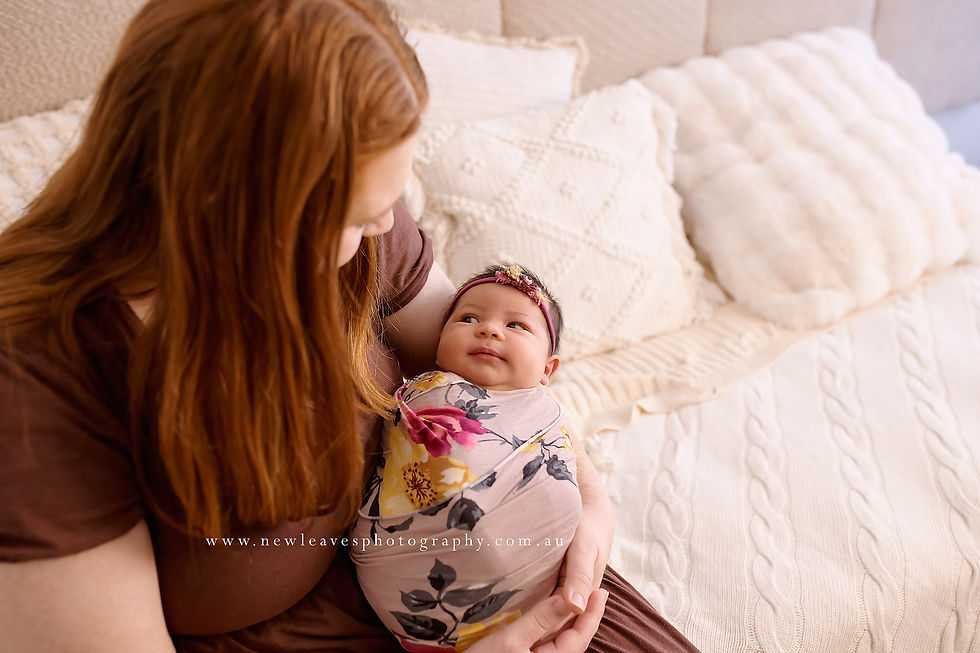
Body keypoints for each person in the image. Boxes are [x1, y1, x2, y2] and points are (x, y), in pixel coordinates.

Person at [0, 1, 701, 651]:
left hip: (485, 570)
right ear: (234, 209)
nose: (382, 225)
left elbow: (491, 375)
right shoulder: (38, 387)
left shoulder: (354, 232)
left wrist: (589, 496)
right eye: (357, 212)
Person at [352, 264, 581, 651]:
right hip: (410, 580)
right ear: (438, 343)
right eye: (469, 318)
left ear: (547, 369)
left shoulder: (547, 415)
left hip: (539, 596)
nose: (489, 329)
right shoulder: (423, 390)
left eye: (517, 326)